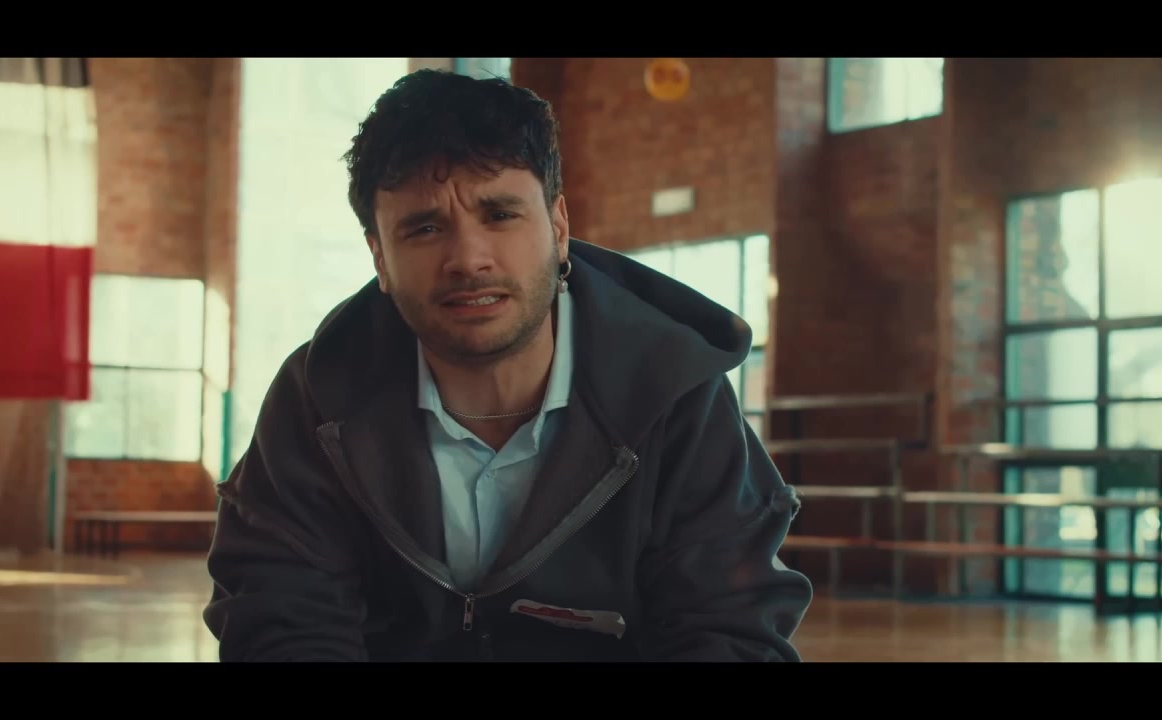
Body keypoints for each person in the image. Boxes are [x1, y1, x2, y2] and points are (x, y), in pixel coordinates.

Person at [202, 68, 813, 662]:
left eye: (499, 214)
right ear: (379, 257)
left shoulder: (676, 394)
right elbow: (283, 620)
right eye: (424, 228)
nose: (468, 258)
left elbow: (728, 630)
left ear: (559, 226)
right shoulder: (317, 399)